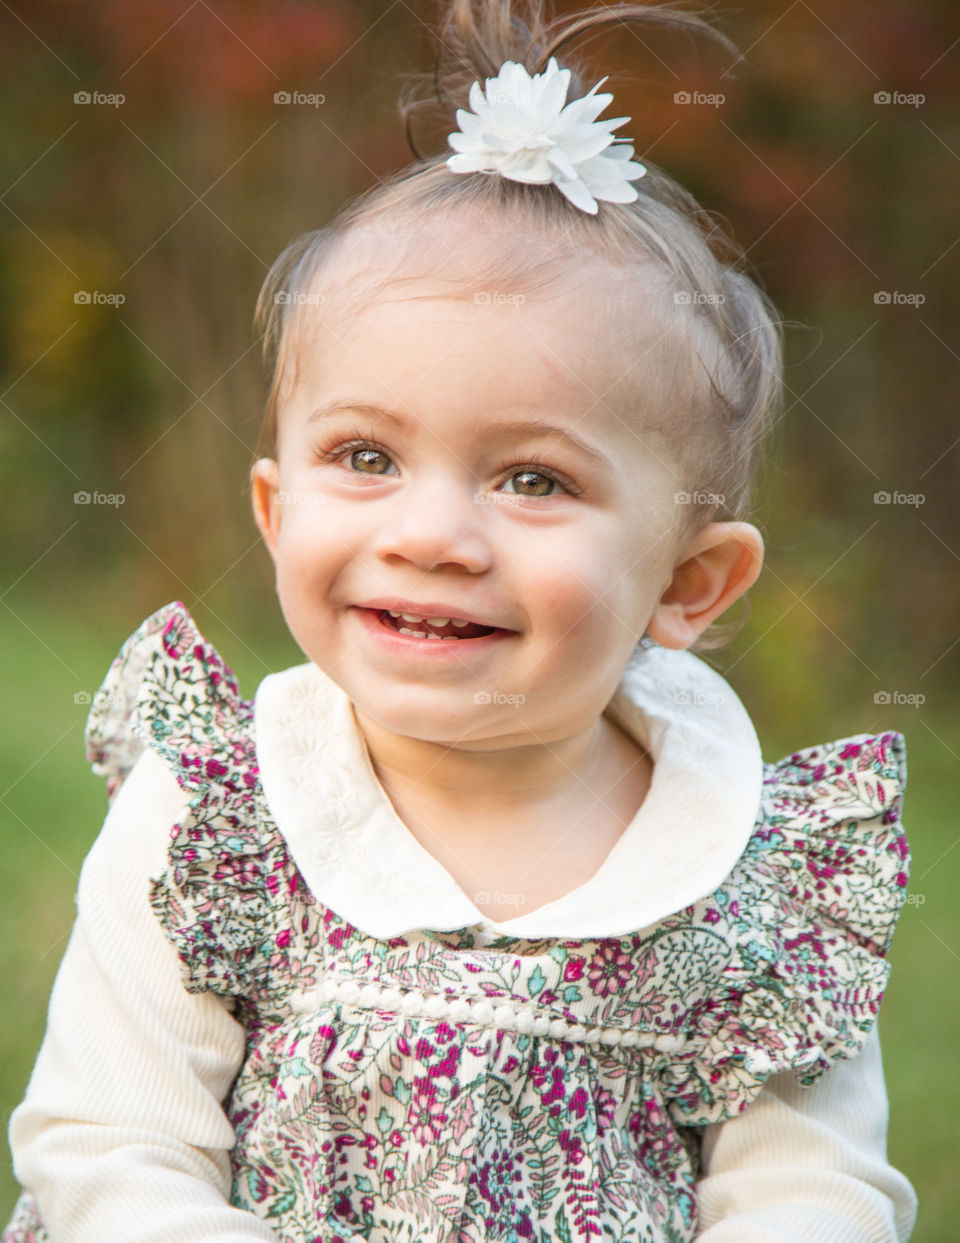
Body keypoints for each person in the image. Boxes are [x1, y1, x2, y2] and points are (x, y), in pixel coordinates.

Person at [3, 1, 917, 1239]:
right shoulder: (215, 818)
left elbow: (812, 1193)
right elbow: (113, 1150)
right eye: (366, 455)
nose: (430, 534)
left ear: (686, 584)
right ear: (276, 510)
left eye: (533, 479)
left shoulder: (754, 880)